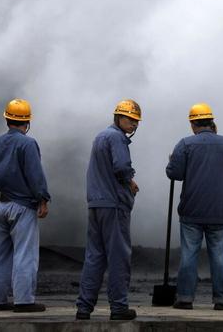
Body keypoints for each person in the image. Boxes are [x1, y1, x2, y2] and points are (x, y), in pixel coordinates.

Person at [0, 98, 51, 313]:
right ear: (27, 122)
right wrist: (43, 199)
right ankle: (24, 301)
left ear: (7, 119)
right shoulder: (28, 143)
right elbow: (36, 176)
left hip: (1, 207)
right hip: (23, 207)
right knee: (24, 255)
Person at [166, 103, 223, 310]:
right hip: (220, 209)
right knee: (220, 255)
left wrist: (172, 161)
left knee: (189, 254)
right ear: (212, 121)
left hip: (192, 210)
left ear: (192, 123)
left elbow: (175, 174)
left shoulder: (185, 144)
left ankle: (185, 298)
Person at [75, 99, 141, 321]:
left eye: (136, 121)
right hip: (113, 205)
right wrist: (130, 181)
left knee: (94, 257)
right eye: (130, 119)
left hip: (96, 204)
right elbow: (121, 166)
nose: (133, 124)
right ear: (119, 118)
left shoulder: (100, 136)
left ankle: (84, 309)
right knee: (119, 257)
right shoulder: (117, 138)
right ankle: (119, 307)